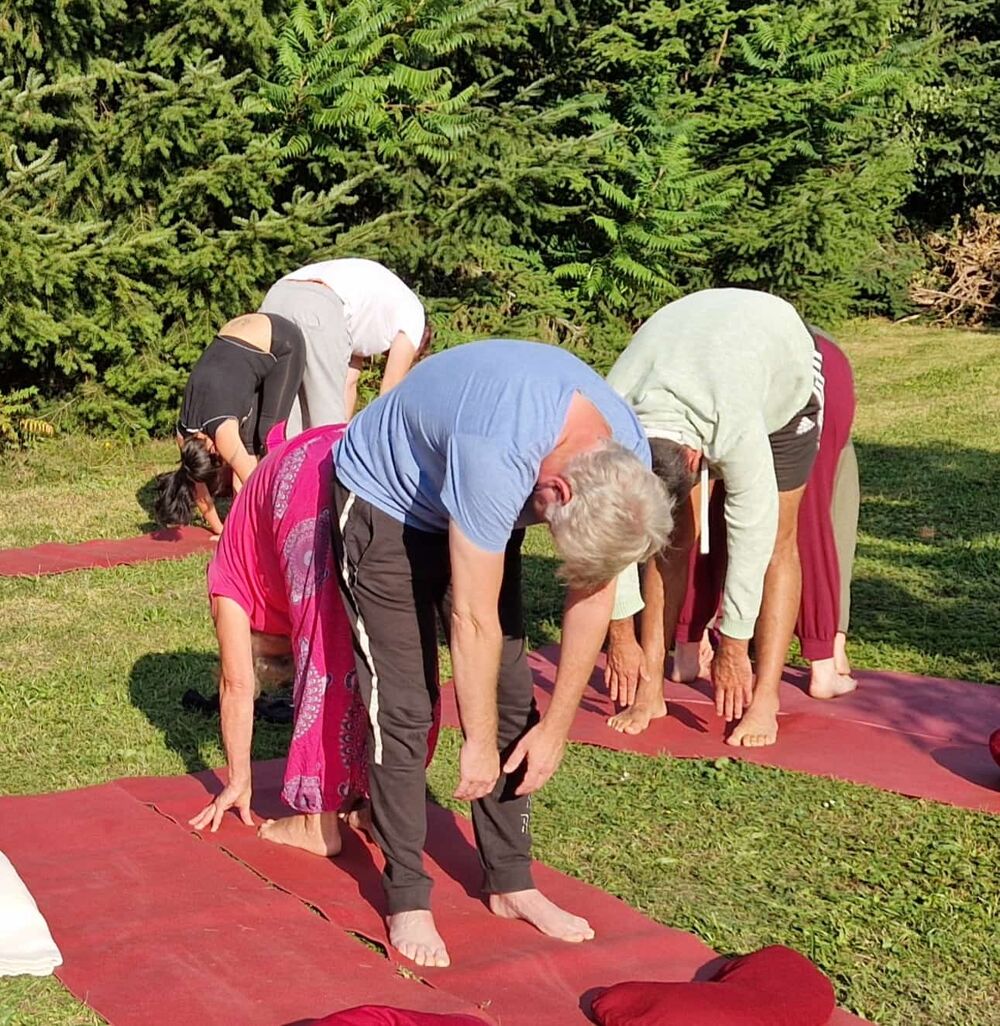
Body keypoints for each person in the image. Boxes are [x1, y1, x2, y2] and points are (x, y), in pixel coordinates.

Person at [330, 339, 672, 969]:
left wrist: (558, 730)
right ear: (557, 490)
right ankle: (407, 894)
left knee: (517, 700)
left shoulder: (626, 457)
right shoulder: (500, 452)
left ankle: (511, 883)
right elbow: (473, 618)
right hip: (385, 499)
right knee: (405, 702)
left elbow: (592, 596)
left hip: (476, 494)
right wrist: (476, 740)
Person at [603, 289, 824, 747]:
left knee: (778, 544)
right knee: (669, 543)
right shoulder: (611, 419)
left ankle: (765, 698)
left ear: (692, 458)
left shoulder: (736, 424)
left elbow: (751, 538)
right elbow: (612, 533)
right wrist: (621, 632)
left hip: (779, 363)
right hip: (689, 349)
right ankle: (651, 690)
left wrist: (734, 644)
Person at [188, 423, 369, 856]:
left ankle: (316, 823)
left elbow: (236, 684)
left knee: (325, 652)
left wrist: (238, 780)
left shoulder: (228, 576)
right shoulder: (253, 568)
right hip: (353, 446)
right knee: (382, 632)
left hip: (306, 475)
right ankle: (380, 802)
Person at [668, 330, 860, 699]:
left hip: (737, 368)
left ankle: (688, 651)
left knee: (706, 506)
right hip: (756, 366)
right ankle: (825, 662)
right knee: (805, 513)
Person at [155, 313, 306, 535]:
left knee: (269, 437)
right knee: (247, 444)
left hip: (281, 340)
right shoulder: (184, 438)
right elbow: (198, 487)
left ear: (213, 448)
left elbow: (254, 481)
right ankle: (241, 519)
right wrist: (222, 530)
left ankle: (289, 518)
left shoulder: (222, 435)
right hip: (237, 332)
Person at [259, 257, 431, 429]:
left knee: (279, 410)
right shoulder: (415, 318)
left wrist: (343, 434)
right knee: (324, 414)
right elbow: (390, 389)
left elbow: (348, 384)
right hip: (319, 302)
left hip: (279, 294)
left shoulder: (364, 320)